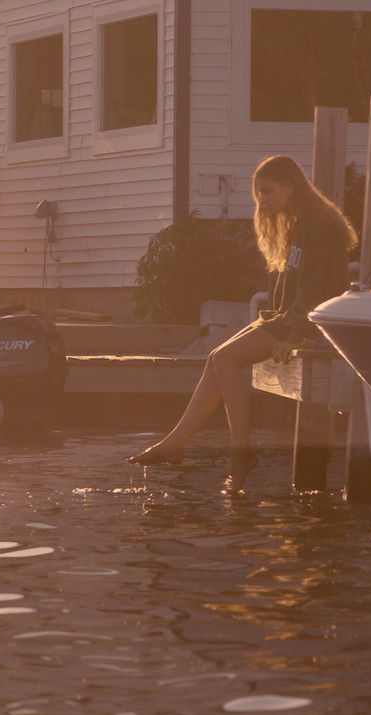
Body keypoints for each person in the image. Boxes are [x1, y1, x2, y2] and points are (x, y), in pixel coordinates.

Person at [126, 155, 357, 486]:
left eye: (268, 191)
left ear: (291, 186)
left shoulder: (319, 227)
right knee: (215, 359)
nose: (262, 199)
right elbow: (289, 287)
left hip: (309, 323)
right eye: (258, 192)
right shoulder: (299, 223)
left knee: (225, 360)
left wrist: (293, 336)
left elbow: (316, 292)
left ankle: (239, 450)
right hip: (285, 317)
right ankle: (176, 443)